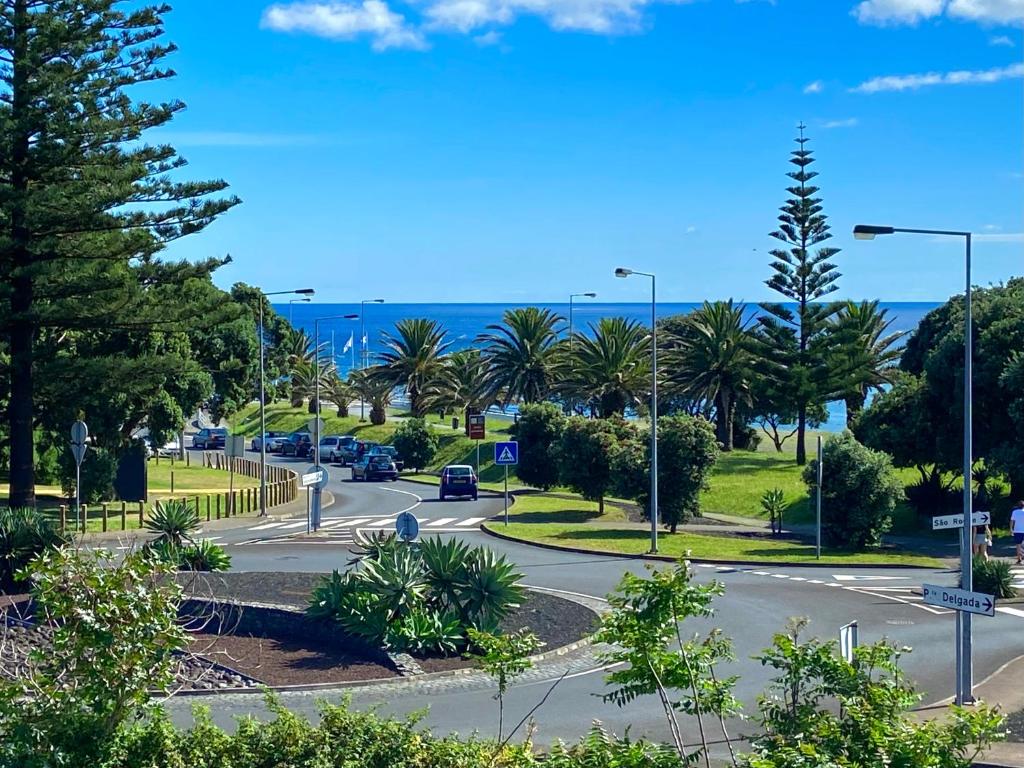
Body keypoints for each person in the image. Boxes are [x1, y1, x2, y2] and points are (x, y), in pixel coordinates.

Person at [1012, 500, 1024, 565]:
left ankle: (1019, 559)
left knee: (1018, 545)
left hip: (1017, 530)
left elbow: (1012, 521)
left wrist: (1011, 529)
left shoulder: (1014, 512)